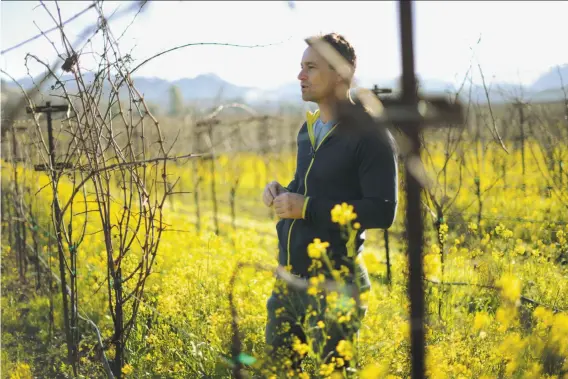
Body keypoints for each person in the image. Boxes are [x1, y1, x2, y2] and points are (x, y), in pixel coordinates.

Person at [262, 32, 398, 376]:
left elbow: (382, 210)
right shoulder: (308, 131)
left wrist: (306, 206)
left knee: (334, 373)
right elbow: (308, 187)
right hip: (289, 278)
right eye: (300, 67)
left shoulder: (370, 133)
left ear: (341, 74)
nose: (300, 76)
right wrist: (281, 191)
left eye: (310, 67)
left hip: (335, 282)